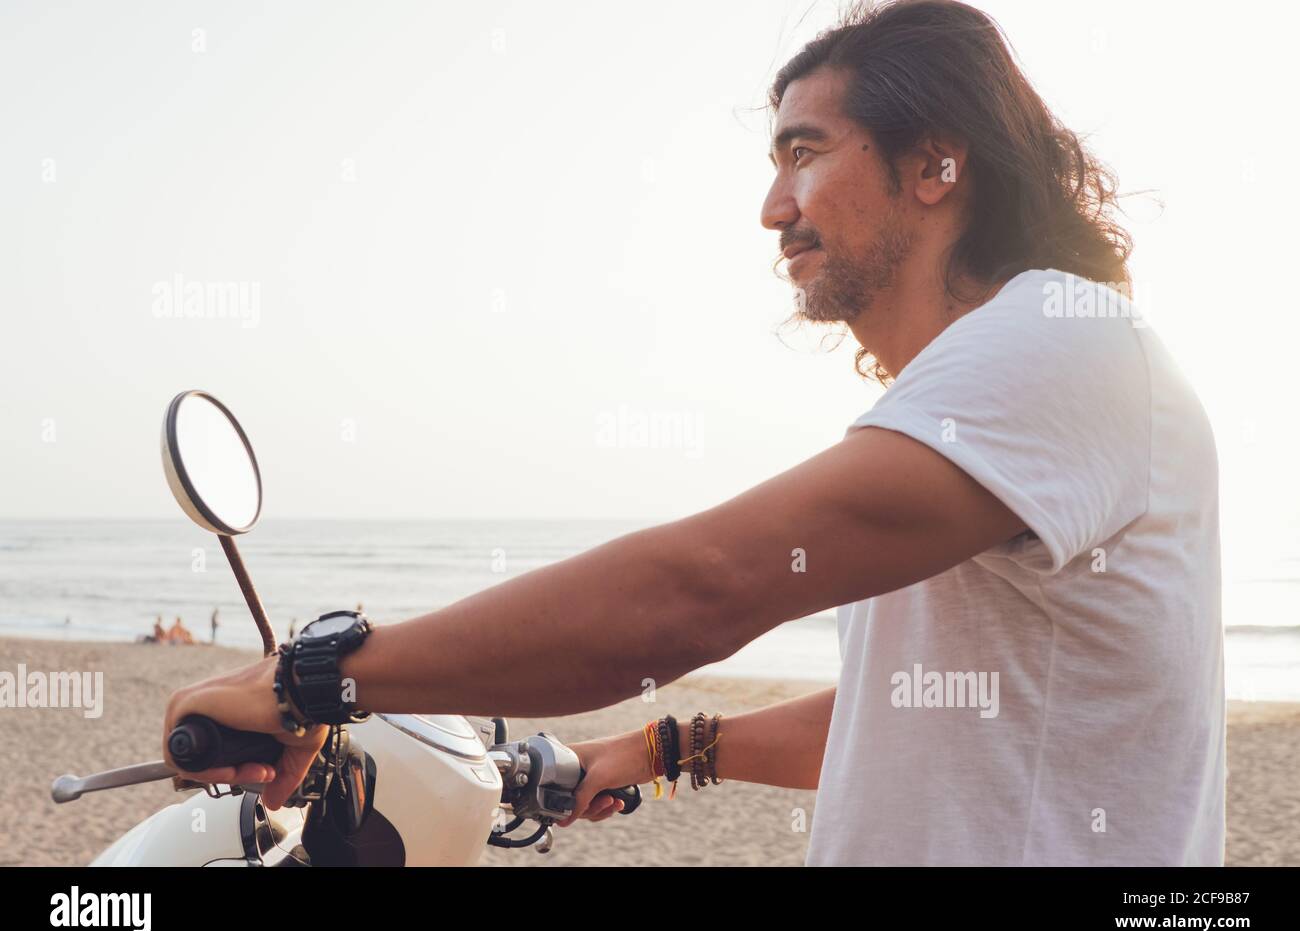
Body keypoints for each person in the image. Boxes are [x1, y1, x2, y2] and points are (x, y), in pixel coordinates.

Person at [161, 0, 1224, 865]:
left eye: (803, 152)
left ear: (935, 165)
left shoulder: (1058, 341)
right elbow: (924, 715)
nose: (772, 206)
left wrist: (312, 678)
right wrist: (661, 747)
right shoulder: (1004, 384)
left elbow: (696, 588)